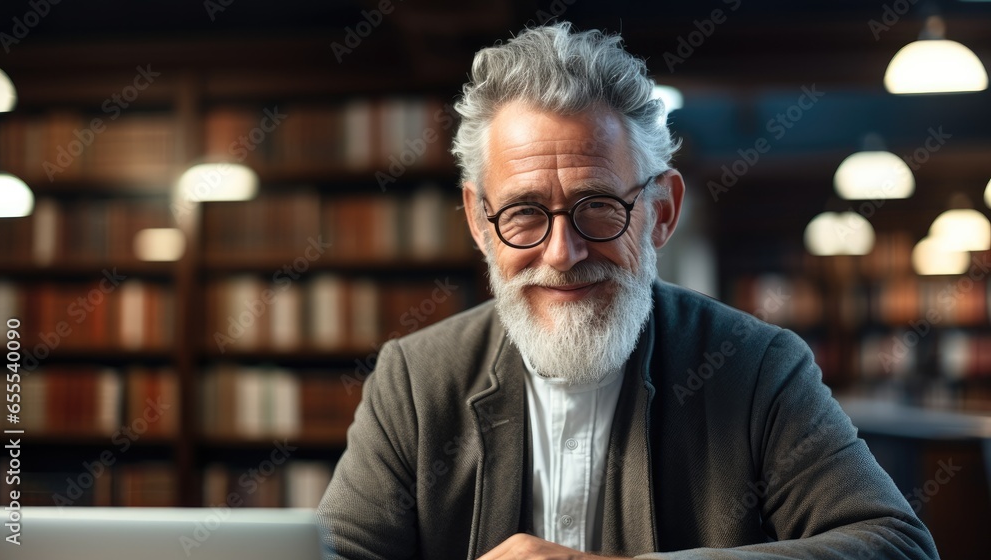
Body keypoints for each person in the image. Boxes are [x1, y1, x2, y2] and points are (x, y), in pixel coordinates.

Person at [318, 22, 939, 560]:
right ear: (481, 221)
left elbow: (896, 546)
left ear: (661, 211)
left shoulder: (756, 369)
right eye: (525, 213)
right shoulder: (413, 381)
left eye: (599, 207)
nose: (563, 253)